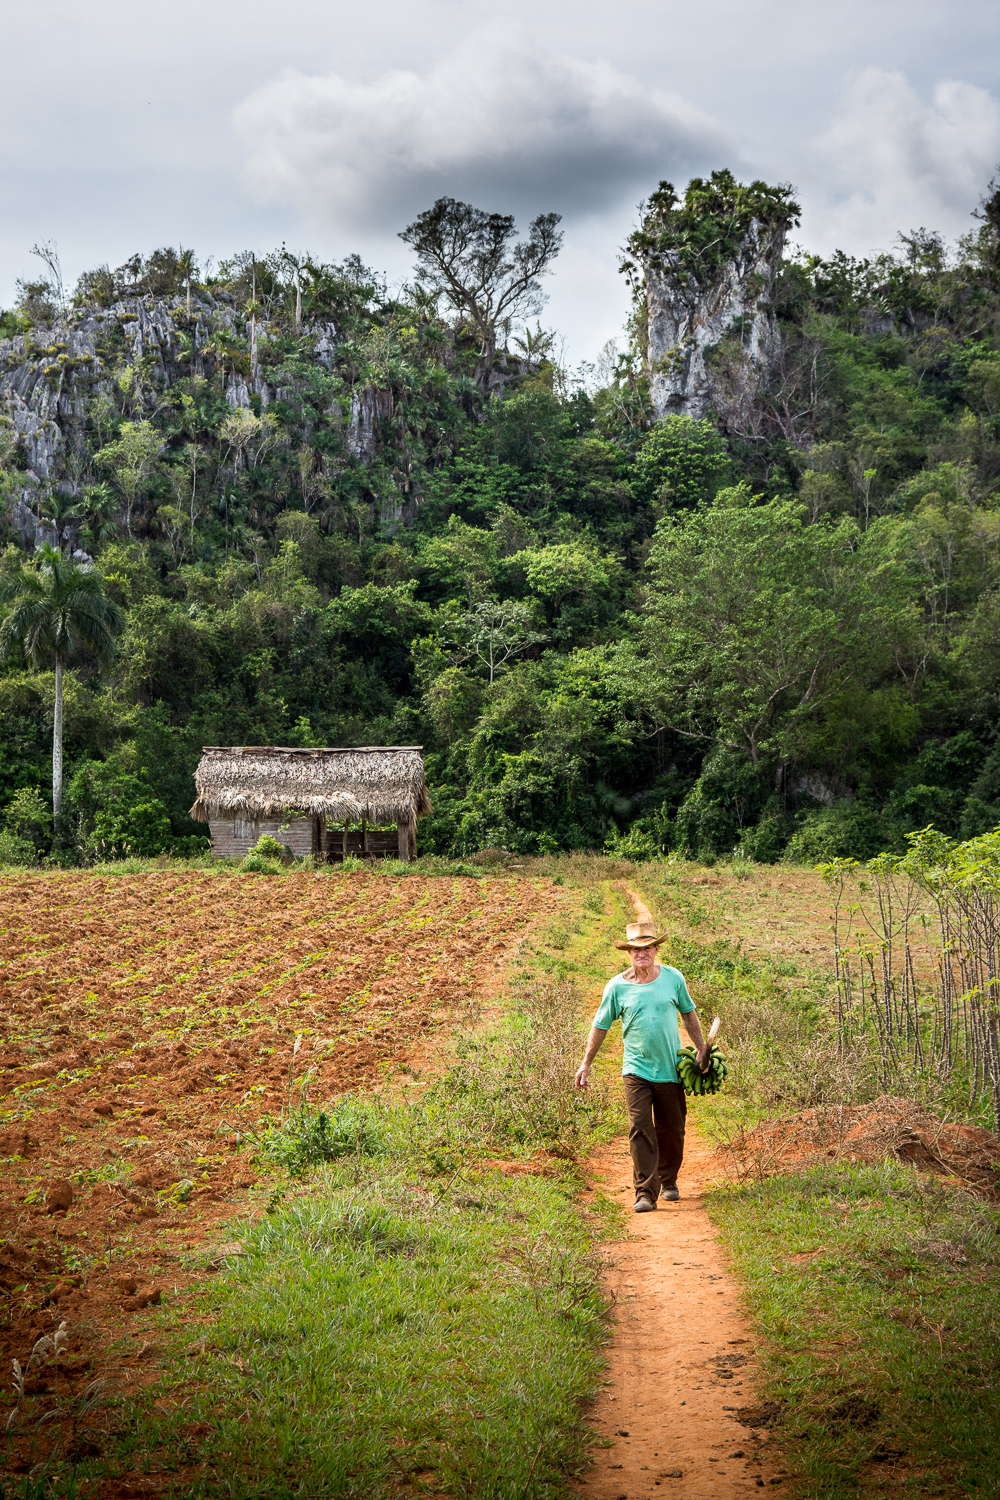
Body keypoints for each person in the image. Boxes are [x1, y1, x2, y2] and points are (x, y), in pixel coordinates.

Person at [575, 909, 710, 1212]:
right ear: (629, 953)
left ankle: (669, 1179)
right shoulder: (617, 987)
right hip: (635, 1069)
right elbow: (600, 1025)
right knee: (640, 1127)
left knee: (672, 1128)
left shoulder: (673, 978)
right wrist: (586, 1063)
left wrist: (701, 1049)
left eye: (647, 948)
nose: (642, 954)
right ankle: (645, 1192)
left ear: (656, 950)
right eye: (636, 949)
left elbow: (688, 1013)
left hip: (670, 1067)